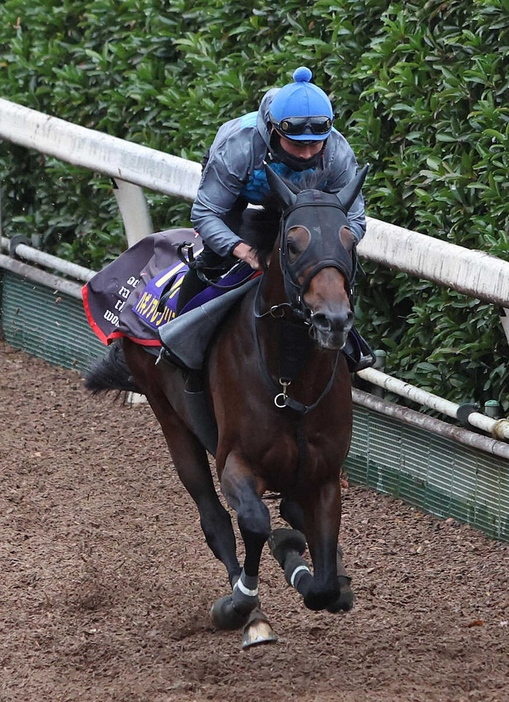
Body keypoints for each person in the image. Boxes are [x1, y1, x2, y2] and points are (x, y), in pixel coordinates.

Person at [175, 66, 373, 370]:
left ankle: (348, 347)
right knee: (216, 258)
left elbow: (356, 220)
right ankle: (180, 337)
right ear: (274, 129)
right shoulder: (240, 146)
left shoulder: (338, 152)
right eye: (297, 144)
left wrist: (330, 251)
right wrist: (244, 252)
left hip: (306, 205)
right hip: (240, 197)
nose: (307, 154)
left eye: (314, 144)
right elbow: (205, 212)